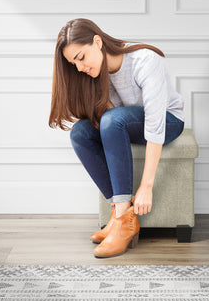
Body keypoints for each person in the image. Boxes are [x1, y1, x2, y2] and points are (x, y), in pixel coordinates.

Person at [48, 18, 185, 258]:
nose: (79, 67)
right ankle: (120, 214)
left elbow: (154, 123)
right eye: (73, 63)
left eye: (81, 57)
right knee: (80, 132)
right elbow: (104, 121)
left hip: (168, 120)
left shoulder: (144, 60)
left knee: (113, 120)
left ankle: (122, 220)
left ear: (97, 42)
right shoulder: (94, 74)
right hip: (126, 122)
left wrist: (146, 186)